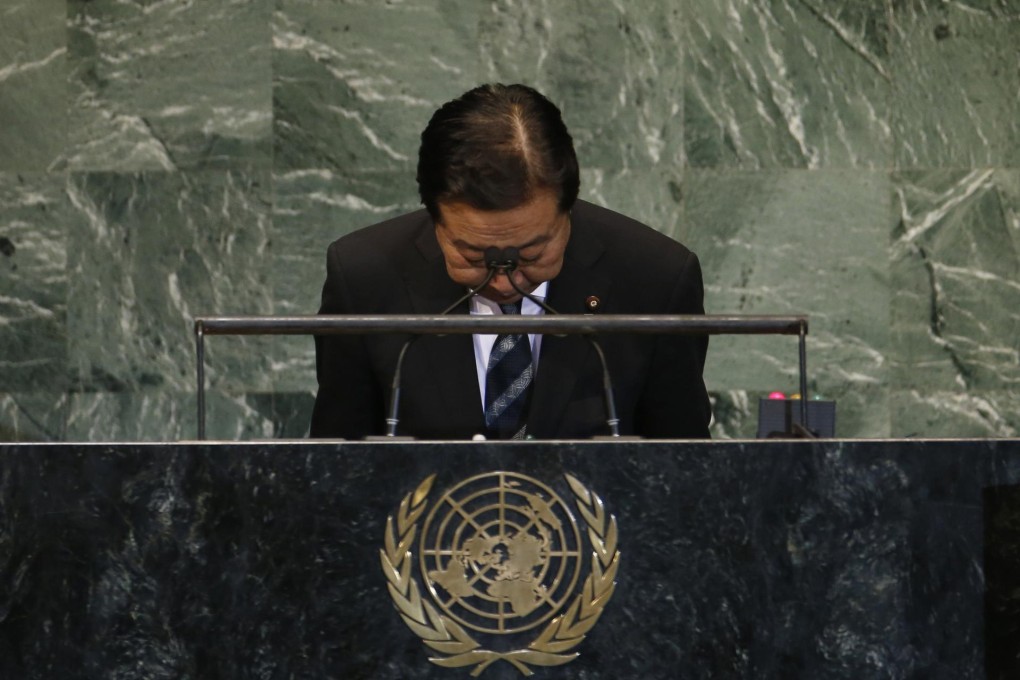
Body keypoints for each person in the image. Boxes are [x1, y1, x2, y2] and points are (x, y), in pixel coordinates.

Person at [310, 83, 711, 440]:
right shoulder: (365, 275)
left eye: (532, 254)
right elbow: (338, 469)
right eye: (472, 255)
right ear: (434, 217)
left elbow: (682, 472)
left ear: (567, 207)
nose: (504, 283)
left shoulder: (656, 277)